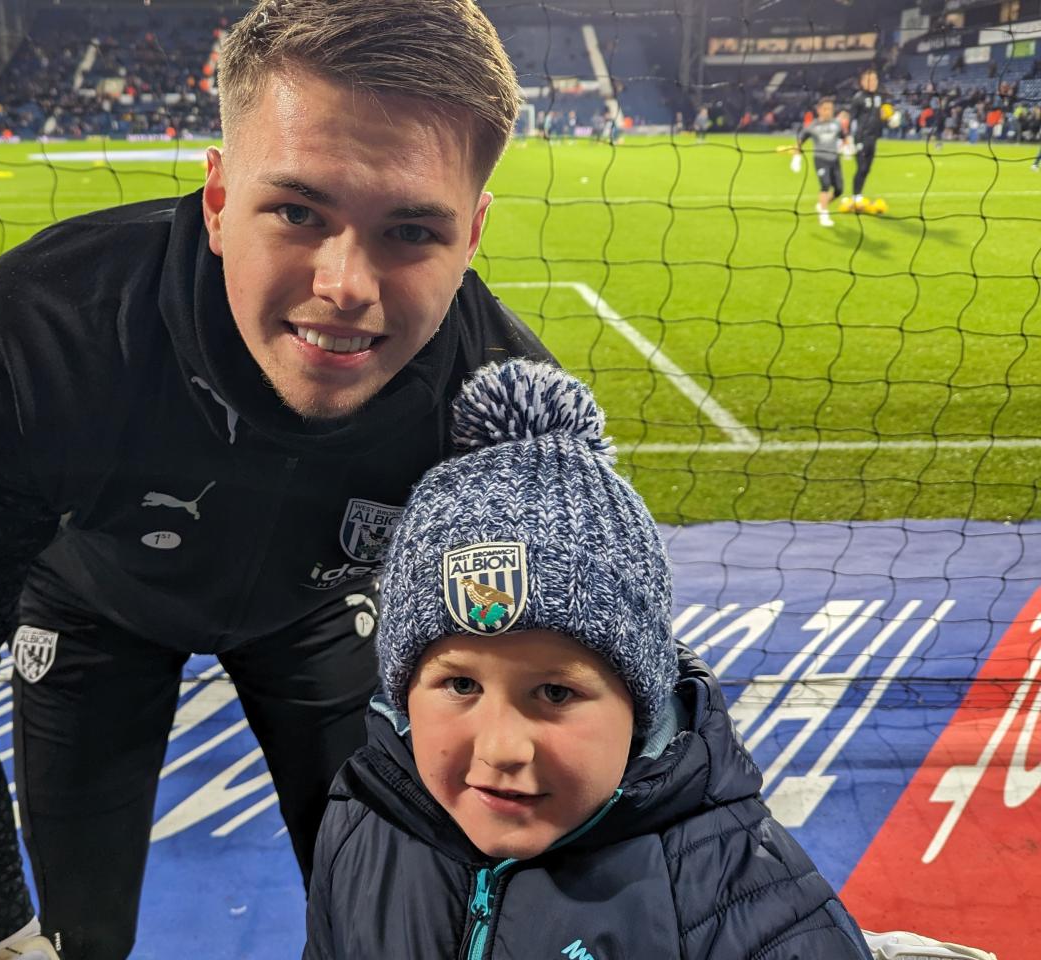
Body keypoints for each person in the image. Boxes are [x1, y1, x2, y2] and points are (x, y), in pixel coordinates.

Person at [0, 2, 551, 959]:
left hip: (317, 611)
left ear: (473, 234)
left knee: (393, 929)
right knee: (78, 938)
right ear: (219, 200)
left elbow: (574, 690)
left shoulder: (508, 412)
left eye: (410, 231)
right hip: (91, 604)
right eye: (298, 211)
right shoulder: (44, 334)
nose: (346, 284)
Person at [303, 360, 1000, 960]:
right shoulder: (365, 817)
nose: (502, 748)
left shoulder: (740, 896)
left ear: (639, 704)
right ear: (400, 692)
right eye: (458, 682)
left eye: (554, 693)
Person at [795, 96, 846, 228]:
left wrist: (847, 148)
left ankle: (822, 204)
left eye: (830, 109)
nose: (828, 111)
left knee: (839, 190)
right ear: (819, 110)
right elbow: (800, 141)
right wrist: (797, 157)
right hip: (820, 159)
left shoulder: (837, 124)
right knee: (825, 185)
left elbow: (844, 137)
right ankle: (824, 215)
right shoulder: (812, 126)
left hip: (835, 160)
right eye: (825, 109)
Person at [844, 66, 885, 210]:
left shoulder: (880, 97)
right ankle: (856, 197)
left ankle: (858, 195)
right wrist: (849, 140)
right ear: (862, 82)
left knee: (867, 169)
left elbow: (880, 117)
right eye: (869, 80)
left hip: (873, 139)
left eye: (874, 79)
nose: (873, 82)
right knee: (861, 168)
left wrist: (889, 119)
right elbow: (852, 119)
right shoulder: (858, 97)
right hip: (860, 139)